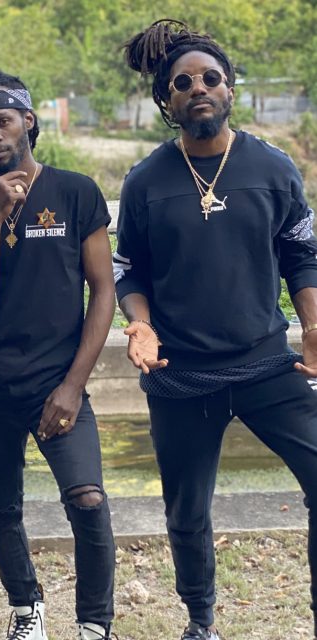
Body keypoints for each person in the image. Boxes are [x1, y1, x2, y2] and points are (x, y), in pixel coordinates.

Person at [116, 19, 317, 640]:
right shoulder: (146, 181)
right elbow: (129, 269)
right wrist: (140, 325)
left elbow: (302, 254)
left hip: (267, 363)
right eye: (183, 83)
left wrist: (313, 324)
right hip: (181, 374)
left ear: (230, 88)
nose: (197, 88)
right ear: (166, 100)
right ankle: (201, 621)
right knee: (186, 510)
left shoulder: (273, 167)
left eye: (210, 77)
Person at [0, 71, 117, 640]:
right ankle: (27, 611)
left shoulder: (76, 192)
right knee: (2, 508)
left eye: (3, 121)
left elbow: (104, 292)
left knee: (87, 499)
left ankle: (94, 624)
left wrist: (73, 386)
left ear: (28, 122)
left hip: (57, 380)